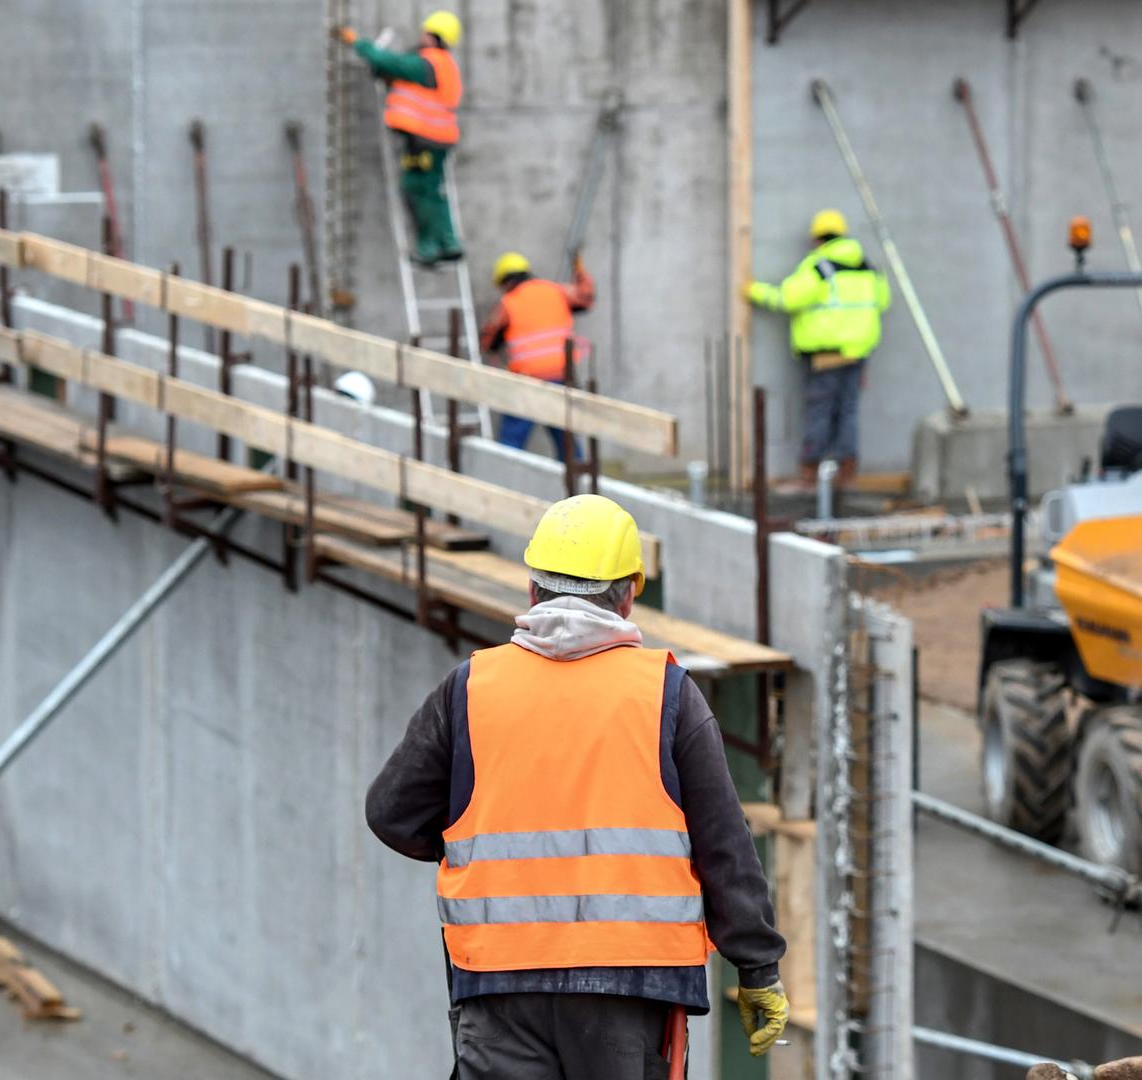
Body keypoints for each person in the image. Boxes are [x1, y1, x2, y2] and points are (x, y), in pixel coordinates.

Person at [366, 494, 790, 1079]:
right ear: (628, 595)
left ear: (533, 591)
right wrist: (758, 967)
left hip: (498, 984)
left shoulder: (470, 689)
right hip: (631, 988)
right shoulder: (665, 695)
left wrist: (484, 840)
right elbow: (724, 845)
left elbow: (391, 812)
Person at [746, 208, 890, 489]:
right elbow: (882, 301)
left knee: (819, 411)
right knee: (847, 411)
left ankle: (809, 474)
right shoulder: (867, 266)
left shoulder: (820, 268)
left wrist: (753, 291)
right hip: (858, 351)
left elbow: (789, 298)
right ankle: (846, 474)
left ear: (817, 239)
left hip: (827, 354)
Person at [334, 11, 464, 265]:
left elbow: (389, 62)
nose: (421, 36)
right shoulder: (441, 64)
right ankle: (448, 242)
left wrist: (357, 42)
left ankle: (429, 248)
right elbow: (400, 77)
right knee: (431, 190)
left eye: (426, 32)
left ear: (435, 36)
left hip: (425, 140)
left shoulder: (427, 63)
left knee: (417, 188)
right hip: (435, 138)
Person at [480, 250, 596, 461]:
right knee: (566, 440)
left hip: (527, 381)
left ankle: (504, 482)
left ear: (504, 282)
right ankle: (579, 486)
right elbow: (586, 297)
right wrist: (579, 268)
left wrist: (494, 352)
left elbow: (488, 340)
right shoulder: (556, 291)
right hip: (561, 377)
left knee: (511, 443)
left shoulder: (509, 302)